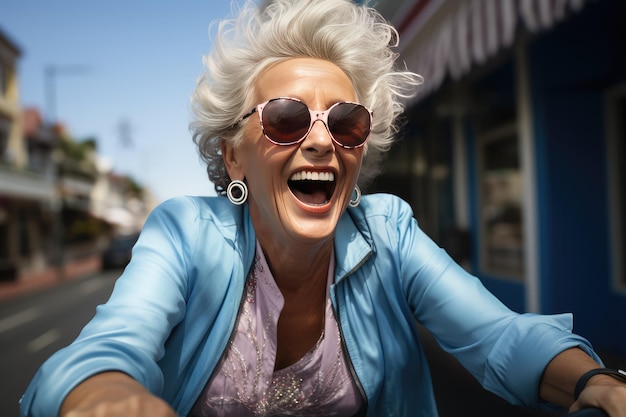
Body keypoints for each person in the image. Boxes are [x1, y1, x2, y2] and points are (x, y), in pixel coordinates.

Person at [20, 0, 626, 416]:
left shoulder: (389, 231)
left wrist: (594, 381)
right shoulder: (184, 233)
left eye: (345, 121)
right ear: (234, 158)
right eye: (285, 119)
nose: (318, 140)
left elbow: (498, 337)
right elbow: (110, 348)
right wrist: (107, 395)